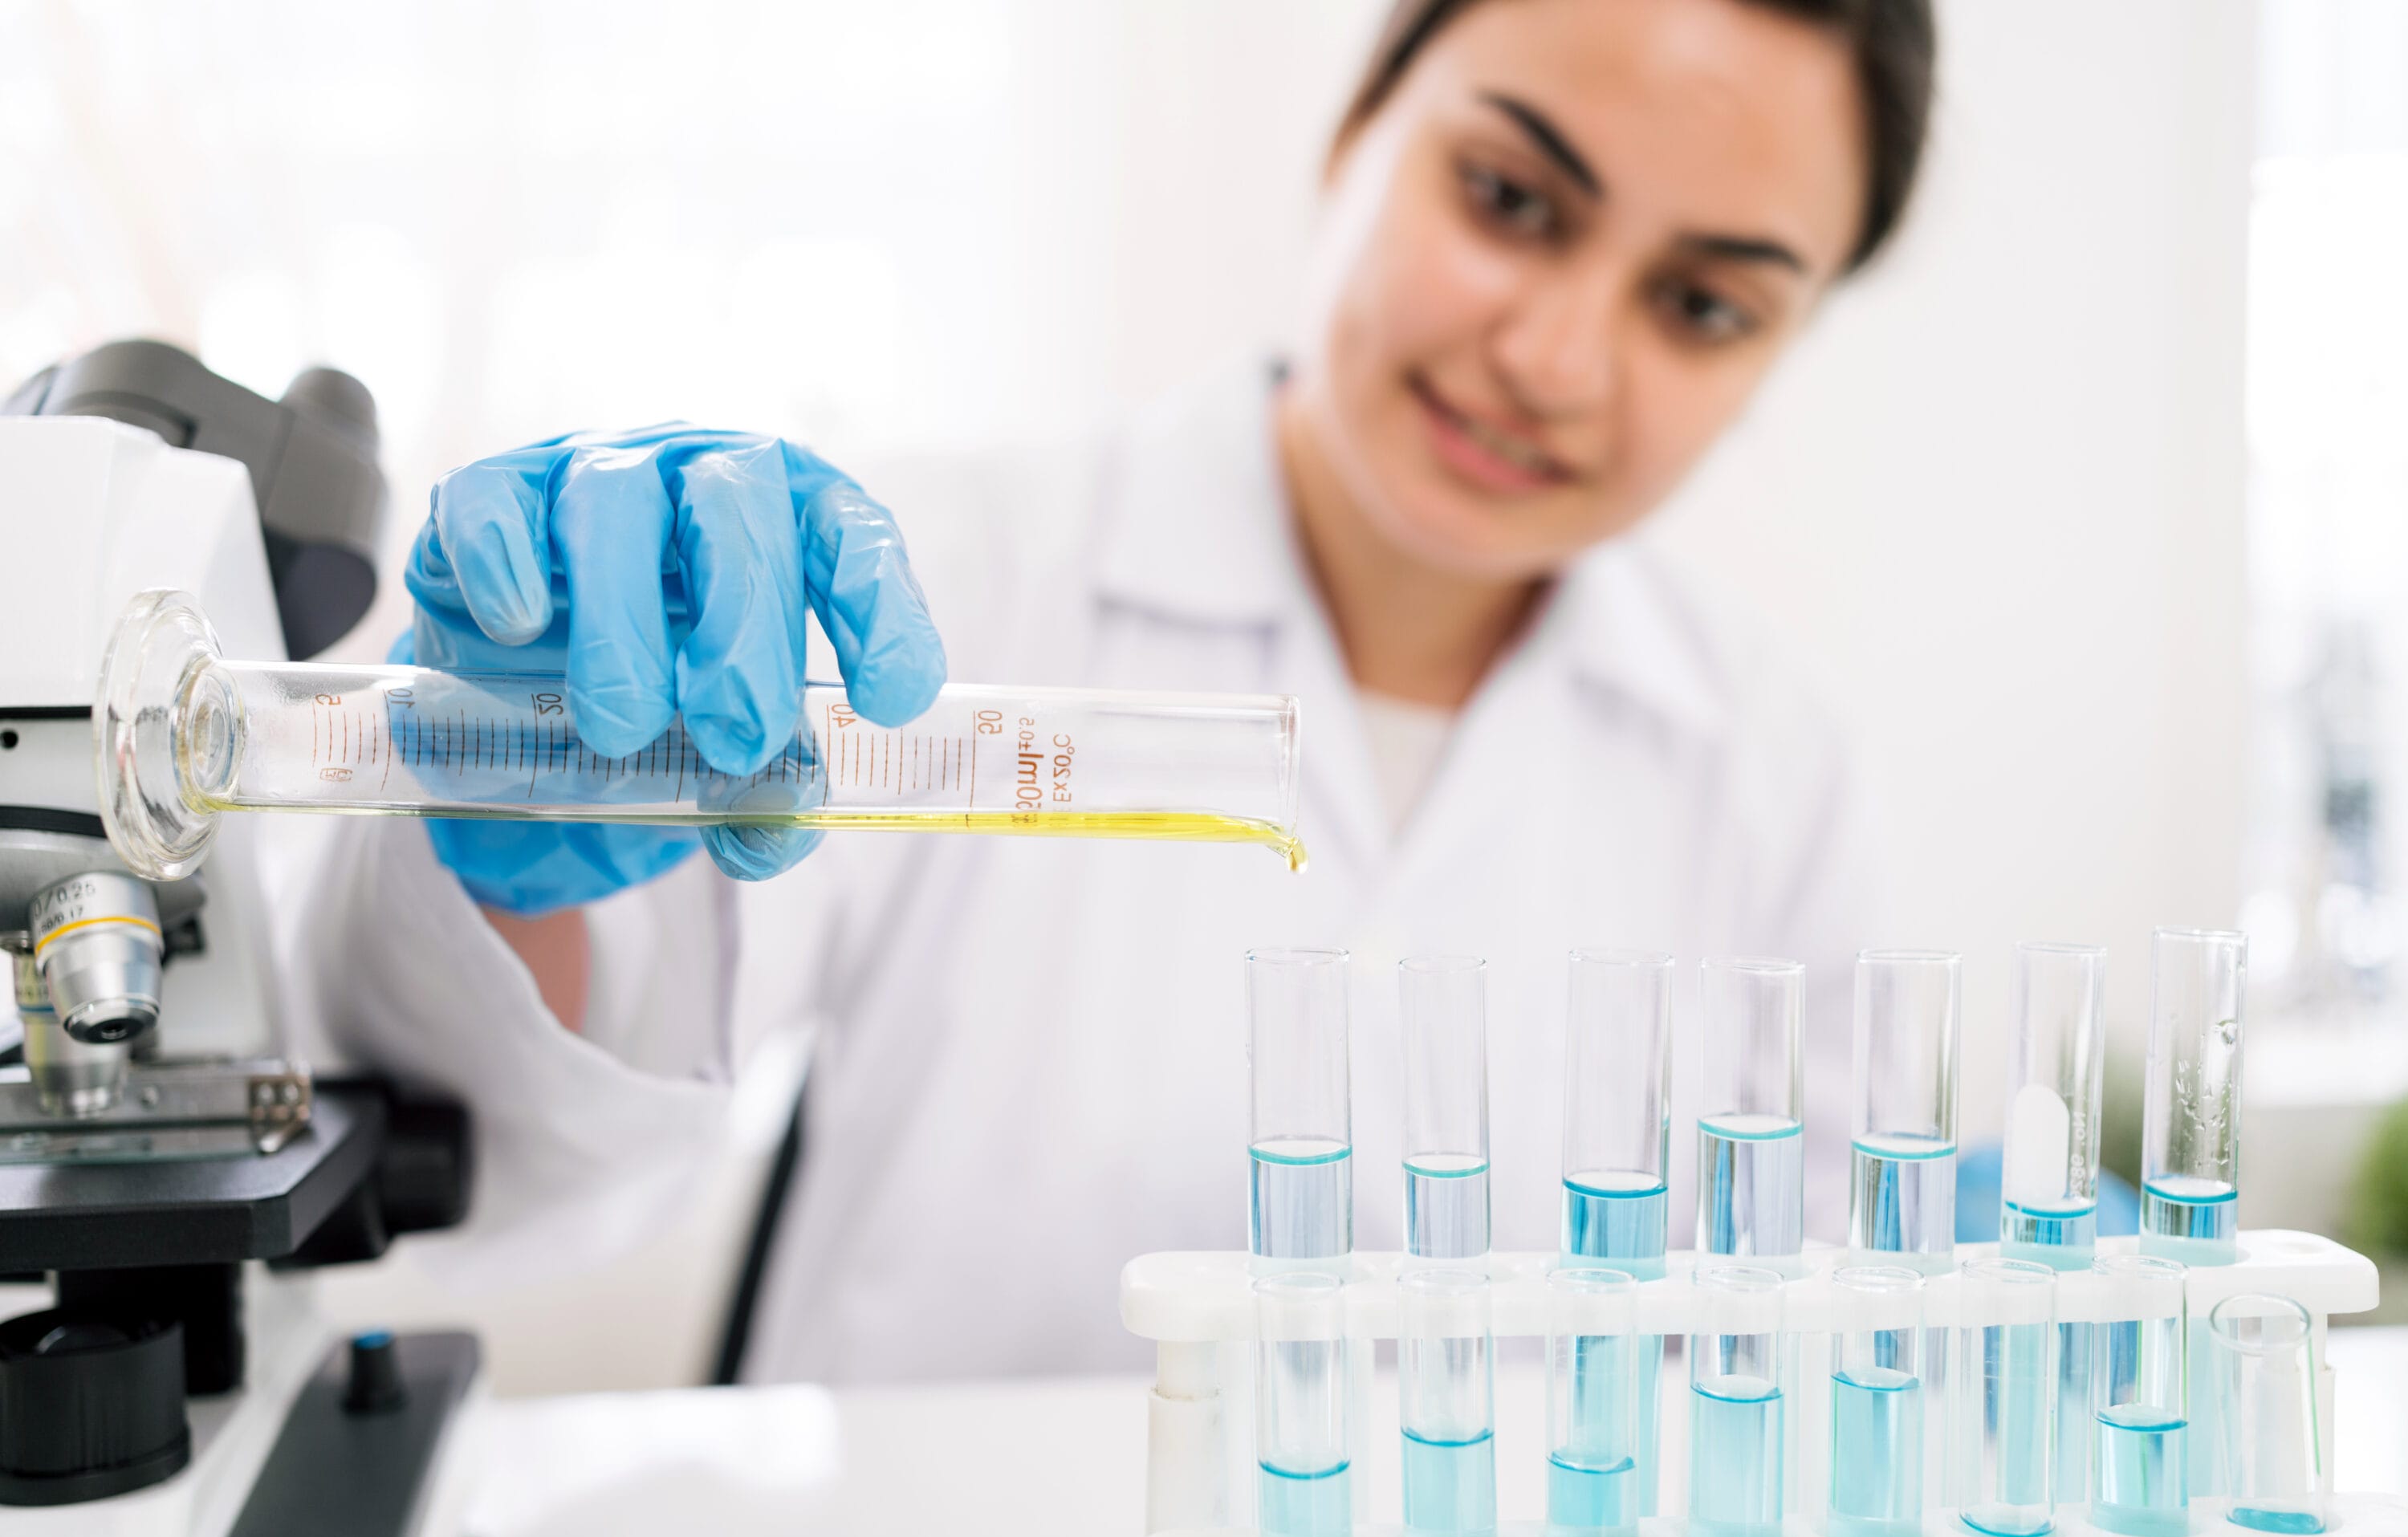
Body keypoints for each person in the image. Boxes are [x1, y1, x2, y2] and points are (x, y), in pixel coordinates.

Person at [291, 0, 1936, 1381]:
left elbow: (1793, 1366)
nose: (1560, 357)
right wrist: (506, 839)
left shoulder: (1772, 774)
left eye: (1705, 305)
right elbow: (529, 1130)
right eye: (1511, 198)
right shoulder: (937, 584)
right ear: (1361, 127)